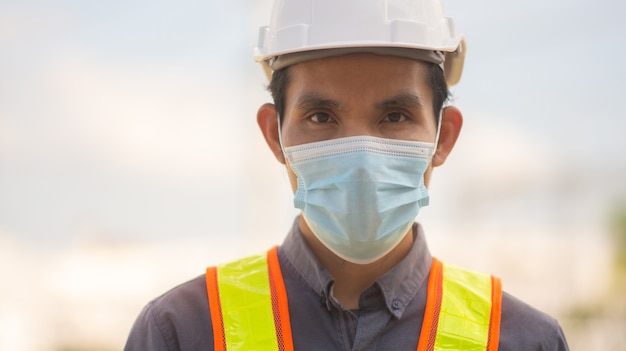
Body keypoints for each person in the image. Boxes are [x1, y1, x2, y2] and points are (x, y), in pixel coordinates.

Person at [125, 0, 570, 350]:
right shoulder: (182, 332)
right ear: (274, 136)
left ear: (444, 137)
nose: (360, 154)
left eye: (395, 115)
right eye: (321, 117)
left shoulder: (522, 341)